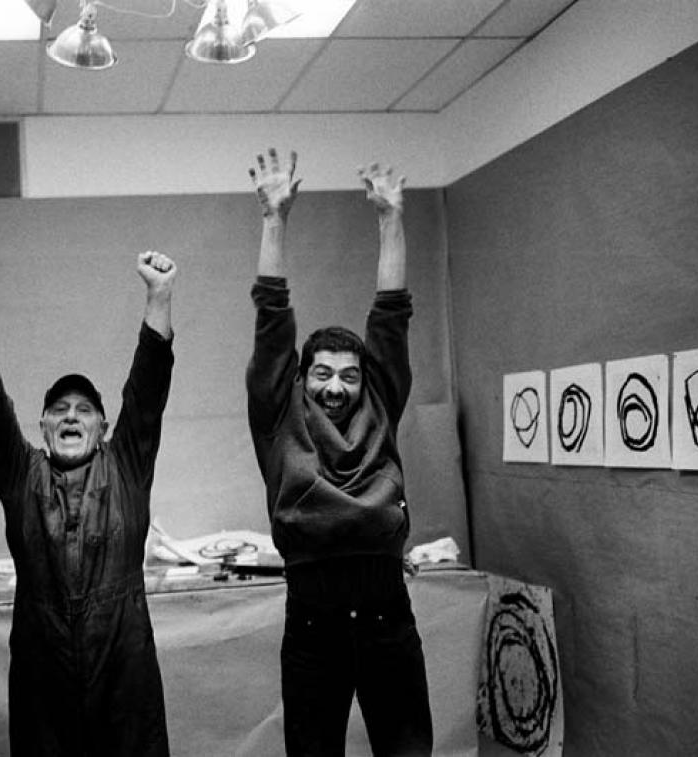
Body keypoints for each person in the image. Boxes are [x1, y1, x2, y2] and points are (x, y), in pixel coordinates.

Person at [0, 251, 176, 756]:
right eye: (59, 410)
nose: (71, 417)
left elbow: (149, 389)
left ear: (102, 429)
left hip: (123, 670)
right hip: (42, 671)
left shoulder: (126, 469)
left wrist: (158, 296)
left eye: (84, 410)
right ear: (44, 428)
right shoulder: (20, 476)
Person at [245, 149, 432, 756]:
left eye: (348, 376)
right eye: (322, 373)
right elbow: (272, 320)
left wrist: (390, 218)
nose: (335, 386)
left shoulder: (381, 405)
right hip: (313, 626)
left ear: (365, 382)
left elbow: (391, 317)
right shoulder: (280, 417)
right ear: (300, 380)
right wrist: (275, 218)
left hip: (387, 620)